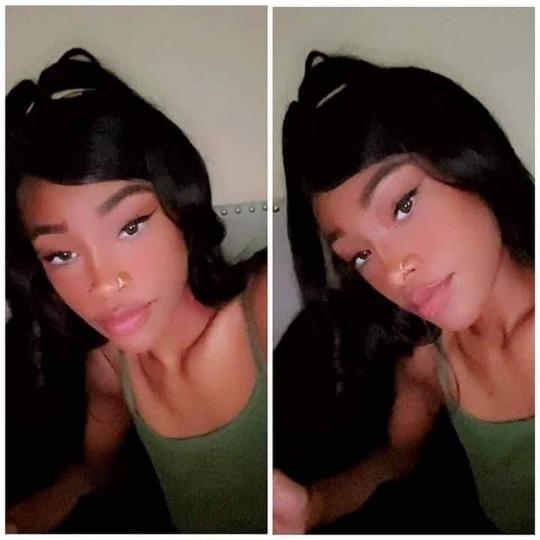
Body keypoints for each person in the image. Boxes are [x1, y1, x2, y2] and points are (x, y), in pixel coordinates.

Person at [6, 48, 267, 533]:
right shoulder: (109, 368)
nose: (104, 283)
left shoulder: (263, 308)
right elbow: (93, 474)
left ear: (180, 206)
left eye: (130, 227)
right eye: (61, 254)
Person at [274, 51, 533, 534]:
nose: (395, 273)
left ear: (469, 160)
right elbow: (397, 461)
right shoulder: (432, 359)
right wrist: (312, 507)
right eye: (359, 255)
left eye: (403, 206)